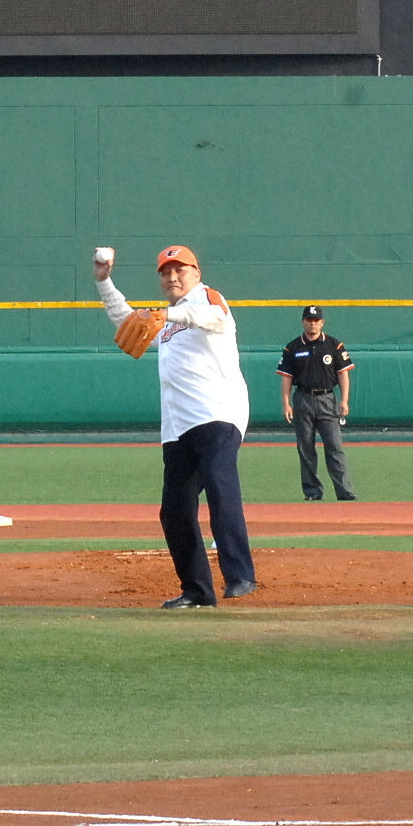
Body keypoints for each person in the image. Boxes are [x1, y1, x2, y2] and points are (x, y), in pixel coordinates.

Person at [96, 243, 256, 609]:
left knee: (219, 482)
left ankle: (240, 574)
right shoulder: (168, 317)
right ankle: (198, 591)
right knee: (175, 510)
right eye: (166, 272)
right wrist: (105, 282)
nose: (172, 276)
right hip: (178, 425)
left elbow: (217, 321)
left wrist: (172, 315)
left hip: (218, 413)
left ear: (196, 273)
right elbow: (128, 319)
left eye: (179, 270)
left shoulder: (207, 299)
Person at [277, 305, 355, 501]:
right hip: (302, 398)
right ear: (303, 322)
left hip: (327, 399)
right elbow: (286, 378)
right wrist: (286, 404)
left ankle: (344, 491)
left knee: (335, 446)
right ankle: (312, 492)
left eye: (316, 320)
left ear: (322, 322)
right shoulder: (292, 347)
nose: (312, 324)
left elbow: (343, 374)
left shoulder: (334, 345)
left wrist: (344, 400)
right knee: (306, 448)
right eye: (309, 320)